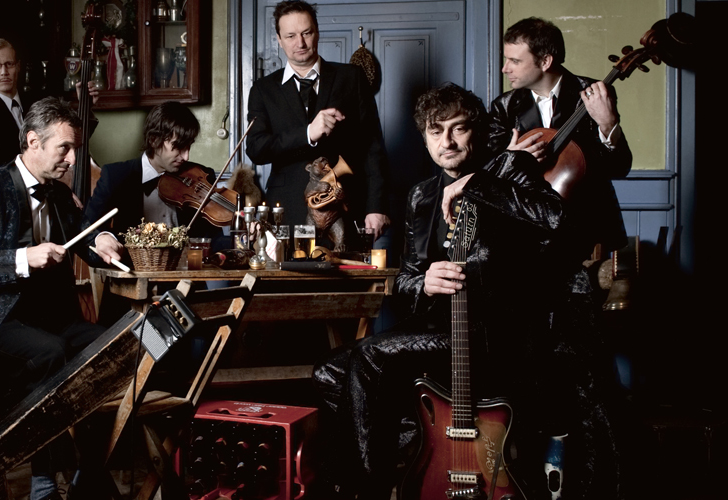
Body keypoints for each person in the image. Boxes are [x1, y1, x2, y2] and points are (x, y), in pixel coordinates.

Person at [312, 83, 619, 500]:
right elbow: (405, 280)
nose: (448, 142)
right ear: (424, 138)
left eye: (459, 129)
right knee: (328, 372)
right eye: (436, 131)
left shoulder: (510, 171)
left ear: (477, 133)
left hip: (499, 331)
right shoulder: (421, 195)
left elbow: (559, 221)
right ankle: (412, 451)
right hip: (440, 329)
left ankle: (365, 492)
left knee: (370, 356)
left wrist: (479, 185)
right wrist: (425, 282)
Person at [0, 97, 111, 500]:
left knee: (115, 346)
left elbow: (85, 239)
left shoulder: (59, 193)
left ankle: (88, 473)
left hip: (50, 321)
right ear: (33, 141)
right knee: (50, 353)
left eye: (74, 149)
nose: (73, 159)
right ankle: (43, 482)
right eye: (65, 148)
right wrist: (22, 258)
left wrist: (102, 239)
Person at [246, 0, 390, 240]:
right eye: (290, 36)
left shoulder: (352, 78)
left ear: (317, 32)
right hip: (287, 210)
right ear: (279, 39)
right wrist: (307, 134)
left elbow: (372, 147)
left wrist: (376, 207)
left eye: (306, 33)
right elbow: (256, 149)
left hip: (346, 206)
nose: (300, 43)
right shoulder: (263, 90)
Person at [490, 17, 632, 255]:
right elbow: (488, 175)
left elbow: (619, 168)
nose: (505, 68)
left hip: (586, 231)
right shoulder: (504, 106)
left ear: (545, 61)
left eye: (514, 61)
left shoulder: (593, 94)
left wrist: (608, 124)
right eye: (507, 59)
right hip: (526, 231)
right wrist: (510, 157)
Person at [86, 101, 223, 265]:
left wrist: (241, 233)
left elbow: (214, 238)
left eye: (189, 146)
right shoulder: (116, 175)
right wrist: (106, 239)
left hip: (188, 276)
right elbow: (89, 230)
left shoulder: (201, 176)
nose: (186, 157)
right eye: (178, 147)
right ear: (154, 140)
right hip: (133, 275)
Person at [0, 39, 97, 171]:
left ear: (18, 66)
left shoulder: (37, 101)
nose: (4, 72)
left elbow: (71, 138)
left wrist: (86, 106)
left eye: (9, 64)